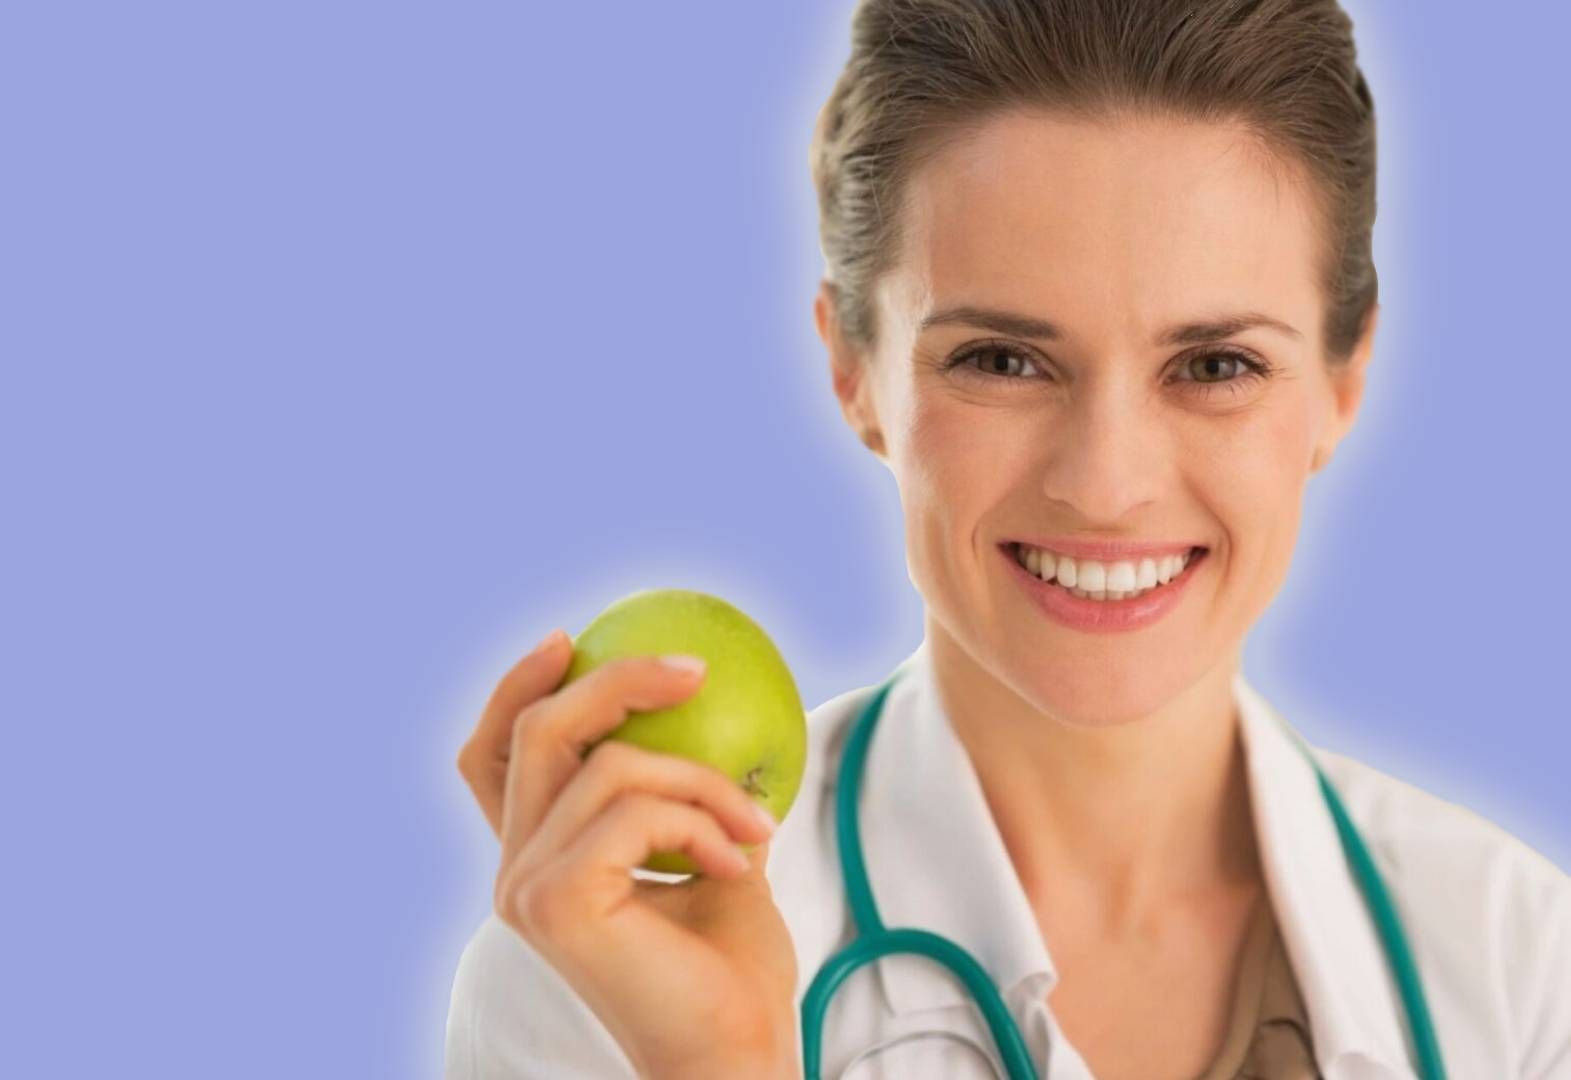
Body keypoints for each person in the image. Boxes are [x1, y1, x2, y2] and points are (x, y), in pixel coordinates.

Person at [444, 1, 1571, 1077]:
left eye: (1215, 366)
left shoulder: (1519, 966)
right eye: (999, 360)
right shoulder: (601, 972)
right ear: (853, 370)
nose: (1105, 486)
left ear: (1343, 378)